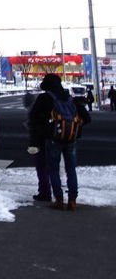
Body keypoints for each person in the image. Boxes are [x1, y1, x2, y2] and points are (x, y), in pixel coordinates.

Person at [29, 73, 91, 211]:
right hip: (70, 139)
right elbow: (87, 118)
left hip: (52, 139)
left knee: (53, 169)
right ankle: (72, 200)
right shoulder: (70, 98)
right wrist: (74, 127)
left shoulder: (44, 98)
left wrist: (46, 129)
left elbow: (34, 118)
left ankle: (58, 200)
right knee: (71, 169)